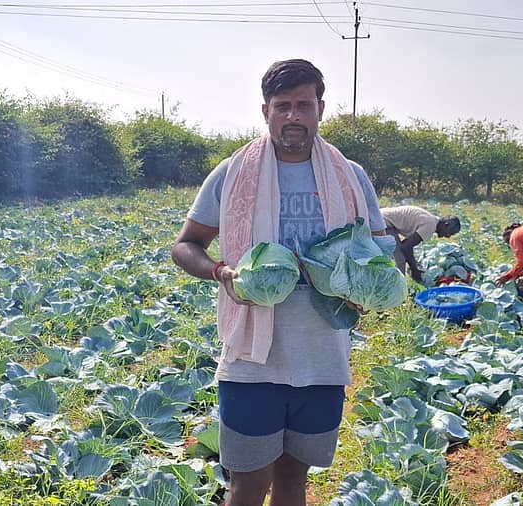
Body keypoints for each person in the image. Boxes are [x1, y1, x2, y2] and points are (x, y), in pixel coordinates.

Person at [170, 59, 386, 506]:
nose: (293, 116)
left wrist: (369, 282)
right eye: (282, 105)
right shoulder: (232, 173)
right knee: (247, 483)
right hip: (251, 357)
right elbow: (186, 245)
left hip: (323, 355)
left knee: (293, 479)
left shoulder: (350, 175)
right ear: (265, 110)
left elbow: (380, 249)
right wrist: (220, 272)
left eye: (303, 105)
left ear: (320, 109)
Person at [380, 205, 461, 283]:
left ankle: (393, 284)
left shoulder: (432, 220)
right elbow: (406, 247)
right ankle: (398, 289)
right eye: (450, 233)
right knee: (400, 259)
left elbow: (405, 243)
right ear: (446, 225)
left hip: (383, 219)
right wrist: (415, 271)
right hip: (382, 223)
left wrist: (414, 264)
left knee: (396, 255)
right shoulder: (430, 225)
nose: (448, 236)